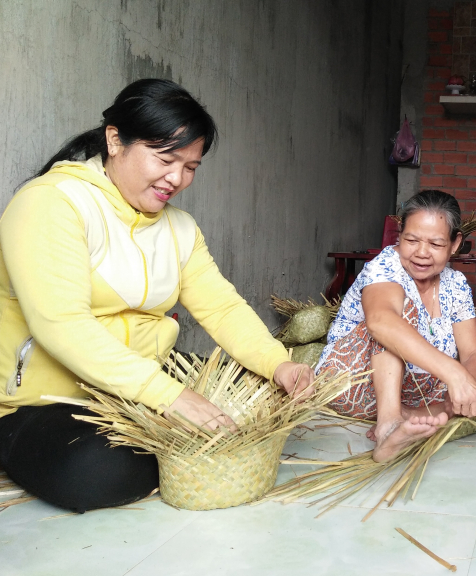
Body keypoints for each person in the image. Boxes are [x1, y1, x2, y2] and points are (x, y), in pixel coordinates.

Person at [0, 79, 314, 513]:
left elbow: (221, 308)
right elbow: (62, 325)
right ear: (115, 139)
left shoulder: (179, 227)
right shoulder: (52, 203)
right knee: (96, 472)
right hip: (46, 399)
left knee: (253, 393)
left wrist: (278, 363)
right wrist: (170, 397)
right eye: (166, 159)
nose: (177, 179)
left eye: (191, 166)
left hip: (135, 387)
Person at [317, 190, 476, 462]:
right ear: (399, 236)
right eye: (412, 240)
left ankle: (413, 417)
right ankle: (389, 426)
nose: (422, 253)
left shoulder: (456, 284)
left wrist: (463, 386)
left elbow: (474, 353)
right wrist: (453, 372)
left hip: (418, 392)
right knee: (400, 315)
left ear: (455, 244)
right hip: (354, 381)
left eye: (436, 244)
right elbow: (381, 322)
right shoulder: (385, 266)